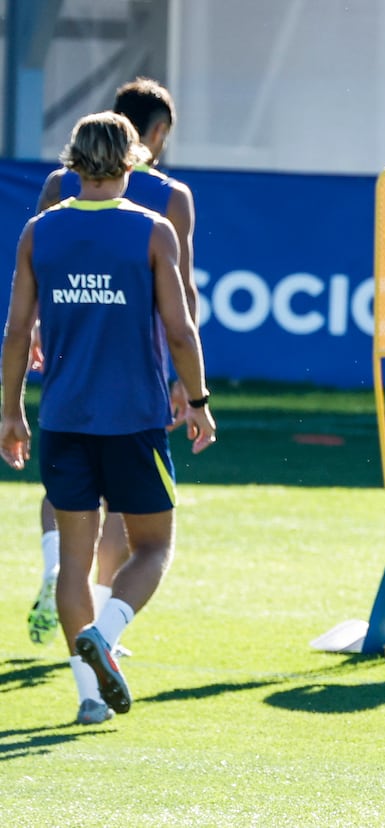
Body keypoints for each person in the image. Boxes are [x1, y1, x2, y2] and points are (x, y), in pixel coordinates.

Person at [1, 111, 216, 724]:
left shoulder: (40, 231)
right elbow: (179, 329)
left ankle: (90, 698)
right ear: (133, 160)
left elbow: (18, 332)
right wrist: (197, 402)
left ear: (73, 160)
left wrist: (10, 411)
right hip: (135, 419)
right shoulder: (153, 230)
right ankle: (109, 627)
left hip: (64, 418)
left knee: (74, 560)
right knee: (153, 547)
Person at [26, 77, 198, 650]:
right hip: (134, 382)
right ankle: (104, 622)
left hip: (68, 377)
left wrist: (30, 339)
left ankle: (59, 577)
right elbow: (183, 307)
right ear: (153, 136)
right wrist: (190, 387)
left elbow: (43, 275)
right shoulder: (169, 202)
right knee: (142, 528)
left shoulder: (54, 193)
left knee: (72, 501)